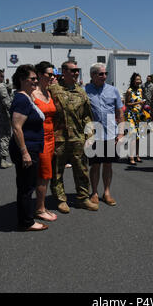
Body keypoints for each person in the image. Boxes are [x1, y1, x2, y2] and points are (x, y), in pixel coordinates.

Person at [49, 61, 98, 213]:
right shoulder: (53, 90)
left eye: (77, 70)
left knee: (81, 169)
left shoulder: (81, 92)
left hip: (78, 138)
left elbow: (87, 117)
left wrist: (90, 136)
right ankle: (60, 200)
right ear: (63, 72)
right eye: (72, 70)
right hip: (59, 138)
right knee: (57, 171)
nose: (76, 73)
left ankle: (83, 198)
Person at [9, 64, 48, 232]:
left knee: (26, 185)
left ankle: (25, 218)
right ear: (21, 80)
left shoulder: (27, 97)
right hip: (27, 149)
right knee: (26, 187)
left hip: (32, 147)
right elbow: (17, 127)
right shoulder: (22, 99)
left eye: (36, 78)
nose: (35, 81)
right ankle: (26, 222)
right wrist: (25, 153)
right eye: (32, 79)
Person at [85, 63, 124, 206]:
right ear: (93, 75)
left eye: (105, 73)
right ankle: (94, 192)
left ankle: (107, 192)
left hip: (110, 134)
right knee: (95, 165)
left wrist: (120, 133)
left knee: (108, 165)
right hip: (94, 135)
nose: (104, 76)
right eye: (100, 74)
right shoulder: (85, 91)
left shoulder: (113, 91)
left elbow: (120, 113)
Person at [32, 62, 58, 221]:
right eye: (49, 74)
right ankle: (39, 208)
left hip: (51, 138)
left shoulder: (49, 93)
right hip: (39, 138)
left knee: (47, 174)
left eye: (53, 74)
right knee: (43, 174)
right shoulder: (32, 94)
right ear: (40, 75)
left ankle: (41, 205)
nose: (53, 77)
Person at [124, 73, 150, 164]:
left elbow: (141, 101)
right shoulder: (129, 91)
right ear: (133, 81)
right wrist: (137, 103)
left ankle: (137, 155)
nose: (139, 81)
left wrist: (143, 105)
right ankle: (131, 157)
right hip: (131, 115)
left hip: (139, 115)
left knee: (138, 136)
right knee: (132, 136)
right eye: (137, 79)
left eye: (140, 79)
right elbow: (126, 104)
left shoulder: (140, 90)